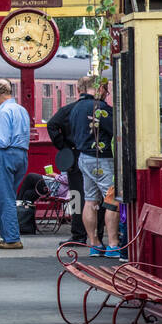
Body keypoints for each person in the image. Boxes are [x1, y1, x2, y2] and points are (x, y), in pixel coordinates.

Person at [69, 74, 119, 258]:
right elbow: (115, 130)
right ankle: (114, 245)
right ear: (98, 88)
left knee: (90, 201)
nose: (106, 94)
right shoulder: (100, 108)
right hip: (102, 159)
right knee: (111, 200)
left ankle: (94, 244)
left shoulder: (75, 109)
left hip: (83, 157)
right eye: (106, 90)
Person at [0, 78, 30, 250]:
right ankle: (7, 235)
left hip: (6, 155)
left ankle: (11, 238)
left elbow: (1, 141)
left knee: (6, 198)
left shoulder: (3, 112)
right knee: (11, 195)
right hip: (22, 155)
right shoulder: (21, 110)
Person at [47, 85, 88, 243]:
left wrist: (63, 146)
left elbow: (51, 125)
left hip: (74, 155)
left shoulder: (69, 109)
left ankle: (79, 234)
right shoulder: (100, 109)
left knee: (77, 195)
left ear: (79, 89)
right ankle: (96, 234)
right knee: (95, 197)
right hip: (96, 156)